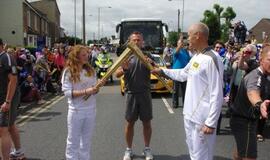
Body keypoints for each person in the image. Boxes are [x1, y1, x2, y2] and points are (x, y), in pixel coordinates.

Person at [152, 23, 224, 160]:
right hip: (189, 115)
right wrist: (162, 71)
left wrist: (211, 122)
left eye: (189, 36)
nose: (188, 39)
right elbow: (183, 74)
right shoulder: (196, 57)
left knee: (202, 156)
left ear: (198, 35)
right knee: (193, 153)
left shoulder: (212, 58)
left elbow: (217, 92)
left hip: (202, 119)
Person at [115, 31, 154, 160]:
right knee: (130, 123)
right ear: (130, 42)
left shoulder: (147, 56)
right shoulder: (126, 56)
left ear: (142, 42)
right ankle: (128, 150)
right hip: (131, 94)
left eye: (139, 40)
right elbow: (117, 74)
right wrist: (124, 68)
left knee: (147, 123)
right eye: (134, 40)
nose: (137, 42)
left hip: (145, 93)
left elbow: (156, 70)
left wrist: (151, 64)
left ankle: (147, 149)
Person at [61, 45, 105, 160]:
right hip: (76, 111)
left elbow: (94, 91)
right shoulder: (68, 72)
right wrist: (86, 91)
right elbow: (67, 93)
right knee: (73, 141)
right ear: (76, 56)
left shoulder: (90, 70)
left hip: (90, 110)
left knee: (86, 141)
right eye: (84, 55)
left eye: (87, 54)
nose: (87, 56)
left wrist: (98, 86)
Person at [230, 44, 270, 160]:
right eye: (269, 60)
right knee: (249, 156)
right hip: (243, 121)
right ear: (261, 60)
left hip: (249, 120)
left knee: (241, 151)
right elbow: (253, 92)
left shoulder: (266, 76)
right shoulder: (256, 76)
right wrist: (259, 104)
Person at [0, 38, 25, 160]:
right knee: (10, 126)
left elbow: (13, 80)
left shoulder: (6, 58)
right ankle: (19, 151)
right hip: (3, 98)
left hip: (8, 98)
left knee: (2, 129)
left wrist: (8, 101)